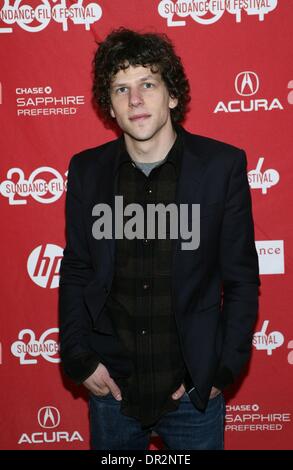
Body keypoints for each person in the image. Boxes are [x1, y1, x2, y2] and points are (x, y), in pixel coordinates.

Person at [59, 28, 260, 450]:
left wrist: (221, 372)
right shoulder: (87, 172)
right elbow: (77, 266)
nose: (135, 100)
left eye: (147, 84)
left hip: (193, 394)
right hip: (112, 388)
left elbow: (241, 279)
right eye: (121, 88)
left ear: (172, 96)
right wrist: (79, 357)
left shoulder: (222, 168)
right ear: (109, 107)